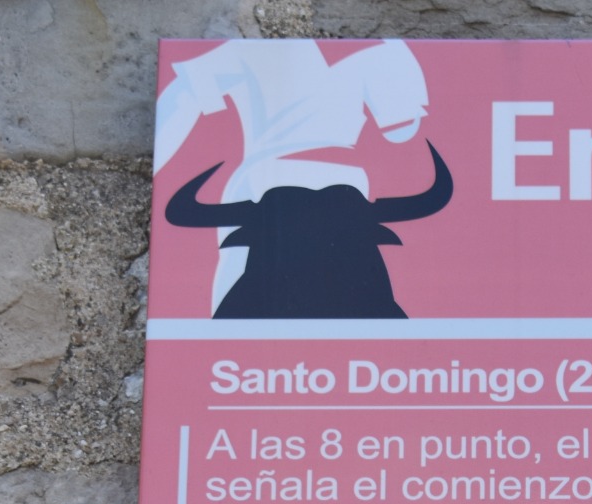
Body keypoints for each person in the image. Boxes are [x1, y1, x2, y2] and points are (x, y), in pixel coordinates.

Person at [154, 39, 431, 312]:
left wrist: (161, 166)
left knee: (239, 276)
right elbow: (401, 129)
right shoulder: (386, 50)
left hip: (267, 173)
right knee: (360, 280)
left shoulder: (248, 54)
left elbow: (181, 97)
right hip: (343, 177)